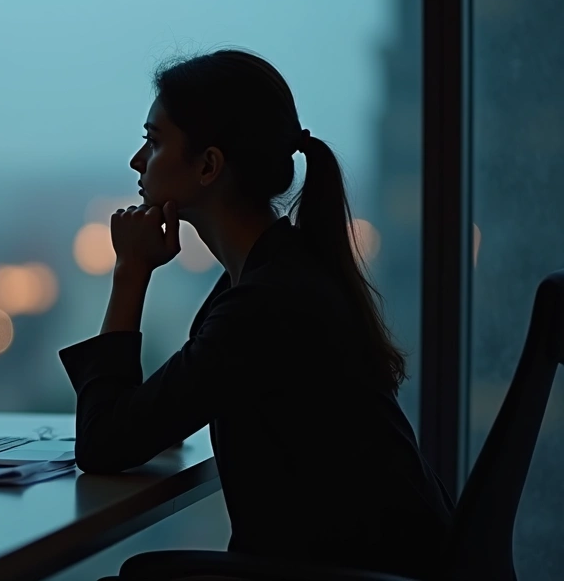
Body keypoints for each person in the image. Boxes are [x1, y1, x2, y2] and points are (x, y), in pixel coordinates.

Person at [59, 49, 453, 578]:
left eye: (153, 141)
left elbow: (105, 443)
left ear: (208, 166)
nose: (137, 161)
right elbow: (154, 416)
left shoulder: (263, 305)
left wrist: (130, 272)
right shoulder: (276, 276)